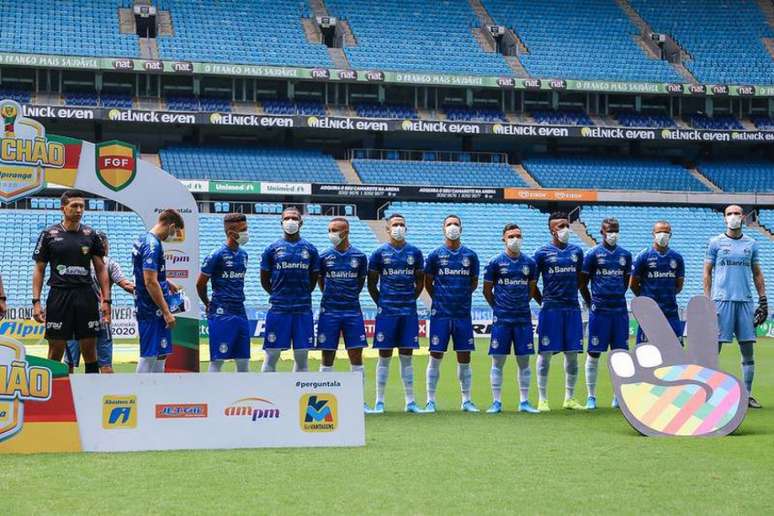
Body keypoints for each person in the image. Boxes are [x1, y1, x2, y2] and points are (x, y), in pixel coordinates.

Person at [32, 190, 111, 374]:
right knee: (55, 350)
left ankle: (92, 393)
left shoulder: (91, 234)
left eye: (82, 206)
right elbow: (39, 269)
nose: (79, 210)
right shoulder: (49, 234)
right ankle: (53, 397)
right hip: (59, 295)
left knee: (90, 351)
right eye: (74, 206)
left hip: (86, 296)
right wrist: (36, 302)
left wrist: (106, 300)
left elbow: (101, 268)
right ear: (63, 208)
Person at [704, 205, 767, 409]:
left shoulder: (752, 243)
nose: (733, 217)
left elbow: (757, 273)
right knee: (714, 350)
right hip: (721, 301)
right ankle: (709, 393)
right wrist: (707, 300)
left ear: (743, 217)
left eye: (737, 213)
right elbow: (707, 272)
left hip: (745, 301)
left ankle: (747, 395)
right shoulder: (715, 242)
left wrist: (763, 299)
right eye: (729, 214)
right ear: (724, 219)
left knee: (747, 350)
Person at [368, 213, 424, 413]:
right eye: (395, 224)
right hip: (387, 312)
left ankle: (410, 402)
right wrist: (382, 302)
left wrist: (410, 299)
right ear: (387, 229)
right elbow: (372, 284)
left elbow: (420, 282)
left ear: (405, 228)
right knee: (384, 356)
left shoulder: (415, 253)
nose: (398, 228)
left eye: (401, 224)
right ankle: (379, 401)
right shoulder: (379, 253)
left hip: (408, 311)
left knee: (406, 356)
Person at [423, 215, 480, 413]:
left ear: (461, 229)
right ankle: (430, 400)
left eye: (456, 224)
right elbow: (427, 283)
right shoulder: (434, 255)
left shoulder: (471, 256)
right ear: (443, 228)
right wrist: (440, 298)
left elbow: (473, 283)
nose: (453, 227)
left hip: (462, 314)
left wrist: (461, 297)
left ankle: (466, 400)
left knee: (464, 358)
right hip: (441, 314)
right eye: (449, 224)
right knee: (435, 357)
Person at [483, 223, 540, 414]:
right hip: (502, 320)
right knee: (497, 362)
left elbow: (532, 288)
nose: (515, 240)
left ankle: (524, 402)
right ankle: (496, 402)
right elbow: (487, 290)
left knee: (524, 362)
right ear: (504, 239)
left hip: (523, 319)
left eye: (518, 236)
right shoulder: (495, 262)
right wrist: (498, 308)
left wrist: (522, 303)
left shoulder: (530, 263)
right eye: (511, 236)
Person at [533, 212, 585, 411]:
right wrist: (543, 301)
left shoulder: (577, 252)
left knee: (572, 354)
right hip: (551, 309)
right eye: (560, 226)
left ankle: (569, 398)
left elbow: (581, 279)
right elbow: (533, 283)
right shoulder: (541, 253)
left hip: (572, 308)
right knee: (545, 353)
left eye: (566, 224)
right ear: (552, 230)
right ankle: (543, 398)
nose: (565, 228)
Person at [316, 217, 370, 410]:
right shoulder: (323, 257)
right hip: (329, 311)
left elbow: (360, 283)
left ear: (345, 232)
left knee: (356, 355)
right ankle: (323, 399)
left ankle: (359, 401)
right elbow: (321, 283)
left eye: (335, 230)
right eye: (329, 229)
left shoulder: (360, 257)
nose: (331, 233)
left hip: (352, 311)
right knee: (327, 356)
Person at [579, 218, 632, 410]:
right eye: (610, 230)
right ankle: (591, 396)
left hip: (619, 311)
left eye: (616, 230)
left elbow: (626, 282)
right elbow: (582, 282)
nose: (613, 234)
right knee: (593, 353)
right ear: (602, 232)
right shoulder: (592, 254)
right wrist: (590, 302)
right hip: (599, 311)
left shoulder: (625, 255)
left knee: (620, 355)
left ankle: (618, 396)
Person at [64, 232, 135, 373]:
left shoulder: (75, 261)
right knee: (105, 364)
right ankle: (107, 394)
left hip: (75, 318)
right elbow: (126, 285)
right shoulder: (110, 264)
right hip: (101, 317)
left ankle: (65, 393)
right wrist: (150, 290)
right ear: (105, 246)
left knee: (68, 363)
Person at [260, 207, 319, 372]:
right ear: (281, 222)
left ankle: (297, 395)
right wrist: (277, 295)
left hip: (302, 310)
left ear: (301, 222)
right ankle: (267, 394)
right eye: (287, 218)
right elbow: (264, 280)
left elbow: (313, 281)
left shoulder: (311, 250)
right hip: (278, 309)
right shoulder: (271, 249)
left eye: (294, 218)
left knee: (302, 357)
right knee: (271, 356)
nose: (290, 221)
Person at [132, 209, 184, 373]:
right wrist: (166, 312)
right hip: (151, 308)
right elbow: (149, 281)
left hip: (150, 306)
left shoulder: (144, 239)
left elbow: (147, 273)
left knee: (161, 353)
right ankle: (141, 392)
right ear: (171, 226)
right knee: (149, 354)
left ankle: (157, 391)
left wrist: (165, 281)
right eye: (175, 231)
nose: (174, 236)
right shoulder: (152, 244)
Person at [197, 213, 251, 373]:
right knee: (218, 359)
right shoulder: (216, 255)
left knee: (243, 360)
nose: (246, 233)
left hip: (240, 310)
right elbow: (200, 284)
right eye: (243, 230)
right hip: (221, 310)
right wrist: (207, 303)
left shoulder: (244, 255)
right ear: (230, 233)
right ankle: (211, 394)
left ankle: (243, 394)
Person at [630, 221, 684, 344]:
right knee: (645, 353)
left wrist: (667, 296)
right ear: (653, 234)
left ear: (670, 235)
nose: (663, 235)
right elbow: (633, 285)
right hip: (649, 313)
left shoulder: (677, 258)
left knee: (676, 354)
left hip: (670, 312)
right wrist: (646, 299)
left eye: (666, 232)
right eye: (660, 232)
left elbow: (679, 286)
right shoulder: (643, 256)